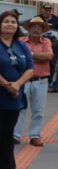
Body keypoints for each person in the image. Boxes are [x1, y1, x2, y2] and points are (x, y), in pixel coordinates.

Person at [0, 10, 34, 169]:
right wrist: (7, 84)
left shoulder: (21, 45)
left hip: (14, 98)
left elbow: (30, 68)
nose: (10, 24)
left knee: (8, 135)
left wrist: (17, 85)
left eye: (13, 22)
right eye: (6, 21)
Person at [13, 17, 54, 146]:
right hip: (23, 80)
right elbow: (18, 59)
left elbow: (49, 56)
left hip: (40, 81)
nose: (36, 29)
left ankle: (35, 135)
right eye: (34, 26)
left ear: (42, 30)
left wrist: (28, 55)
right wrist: (38, 57)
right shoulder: (20, 41)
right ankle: (15, 135)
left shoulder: (46, 41)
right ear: (29, 28)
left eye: (39, 27)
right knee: (20, 109)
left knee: (38, 111)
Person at [37, 3, 58, 92]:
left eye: (49, 10)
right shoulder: (38, 18)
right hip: (41, 44)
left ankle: (49, 82)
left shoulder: (56, 19)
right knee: (41, 62)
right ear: (42, 10)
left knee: (52, 64)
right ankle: (40, 80)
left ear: (51, 11)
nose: (47, 12)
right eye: (46, 10)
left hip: (54, 44)